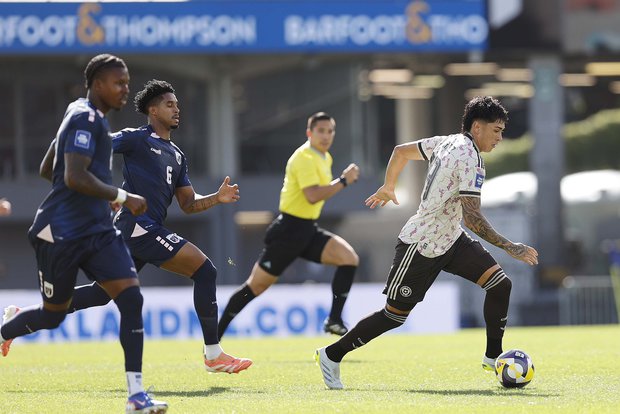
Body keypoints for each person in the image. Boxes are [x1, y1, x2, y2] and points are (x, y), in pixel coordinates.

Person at [314, 96, 539, 390]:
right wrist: (511, 247)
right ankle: (331, 354)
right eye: (496, 130)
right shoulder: (469, 158)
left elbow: (400, 152)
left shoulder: (447, 142)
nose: (499, 138)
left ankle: (493, 357)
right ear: (477, 127)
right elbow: (472, 219)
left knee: (499, 285)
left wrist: (389, 185)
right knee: (393, 316)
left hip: (450, 238)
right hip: (422, 244)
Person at [39, 79, 252, 374]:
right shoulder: (136, 138)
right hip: (137, 225)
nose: (176, 109)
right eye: (169, 104)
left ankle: (24, 316)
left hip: (139, 230)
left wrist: (217, 197)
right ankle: (213, 355)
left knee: (101, 295)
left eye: (177, 104)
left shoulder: (177, 155)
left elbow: (188, 204)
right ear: (153, 110)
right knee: (205, 270)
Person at [0, 54, 168, 412]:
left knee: (131, 298)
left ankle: (136, 395)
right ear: (97, 84)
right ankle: (7, 327)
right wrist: (120, 196)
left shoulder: (82, 114)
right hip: (58, 232)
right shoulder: (84, 118)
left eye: (127, 82)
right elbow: (73, 175)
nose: (125, 89)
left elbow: (48, 167)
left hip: (98, 232)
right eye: (118, 83)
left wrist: (96, 199)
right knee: (53, 315)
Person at [218, 112, 360, 340]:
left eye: (330, 131)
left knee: (348, 258)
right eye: (321, 131)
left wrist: (341, 182)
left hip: (307, 229)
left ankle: (334, 320)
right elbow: (312, 196)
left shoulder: (325, 157)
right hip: (289, 231)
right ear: (309, 133)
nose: (326, 136)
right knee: (255, 287)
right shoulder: (304, 157)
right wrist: (343, 181)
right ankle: (213, 339)